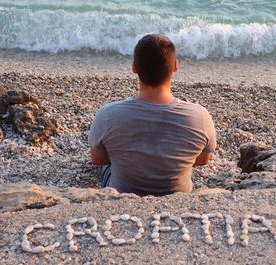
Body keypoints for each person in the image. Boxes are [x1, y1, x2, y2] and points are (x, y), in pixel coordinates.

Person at [88, 34, 216, 196]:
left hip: (122, 194)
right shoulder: (200, 116)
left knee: (109, 159)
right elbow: (203, 160)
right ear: (175, 66)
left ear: (134, 67)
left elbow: (97, 159)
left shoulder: (108, 114)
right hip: (178, 196)